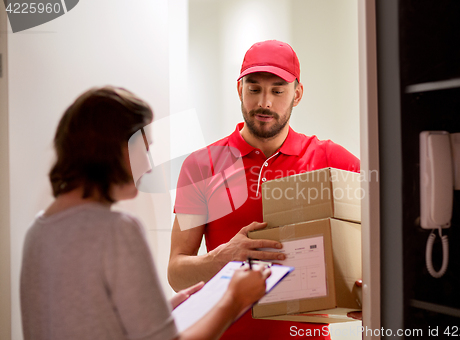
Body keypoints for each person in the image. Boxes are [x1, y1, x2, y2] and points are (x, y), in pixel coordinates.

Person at [20, 86, 271, 340]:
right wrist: (233, 301)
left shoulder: (38, 230)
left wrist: (159, 317)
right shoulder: (118, 230)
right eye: (146, 149)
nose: (149, 166)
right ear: (116, 148)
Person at [168, 40, 361, 340]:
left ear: (297, 94)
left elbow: (383, 241)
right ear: (239, 89)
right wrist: (221, 258)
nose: (264, 103)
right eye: (254, 88)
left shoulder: (329, 160)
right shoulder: (202, 166)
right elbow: (176, 273)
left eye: (278, 90)